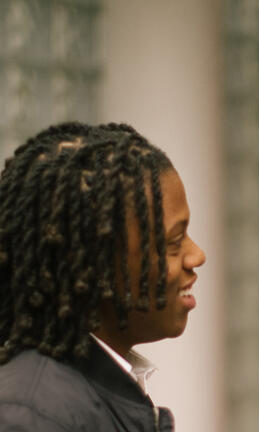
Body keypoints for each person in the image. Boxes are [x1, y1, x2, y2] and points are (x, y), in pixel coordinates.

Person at [0, 122, 206, 431]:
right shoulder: (32, 415)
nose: (197, 255)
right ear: (97, 265)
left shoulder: (95, 391)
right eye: (174, 242)